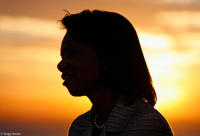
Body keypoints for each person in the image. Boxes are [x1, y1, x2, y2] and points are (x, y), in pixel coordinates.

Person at [57, 9, 173, 136]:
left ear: (107, 56)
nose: (61, 65)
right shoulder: (79, 127)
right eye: (63, 57)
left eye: (73, 54)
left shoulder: (146, 125)